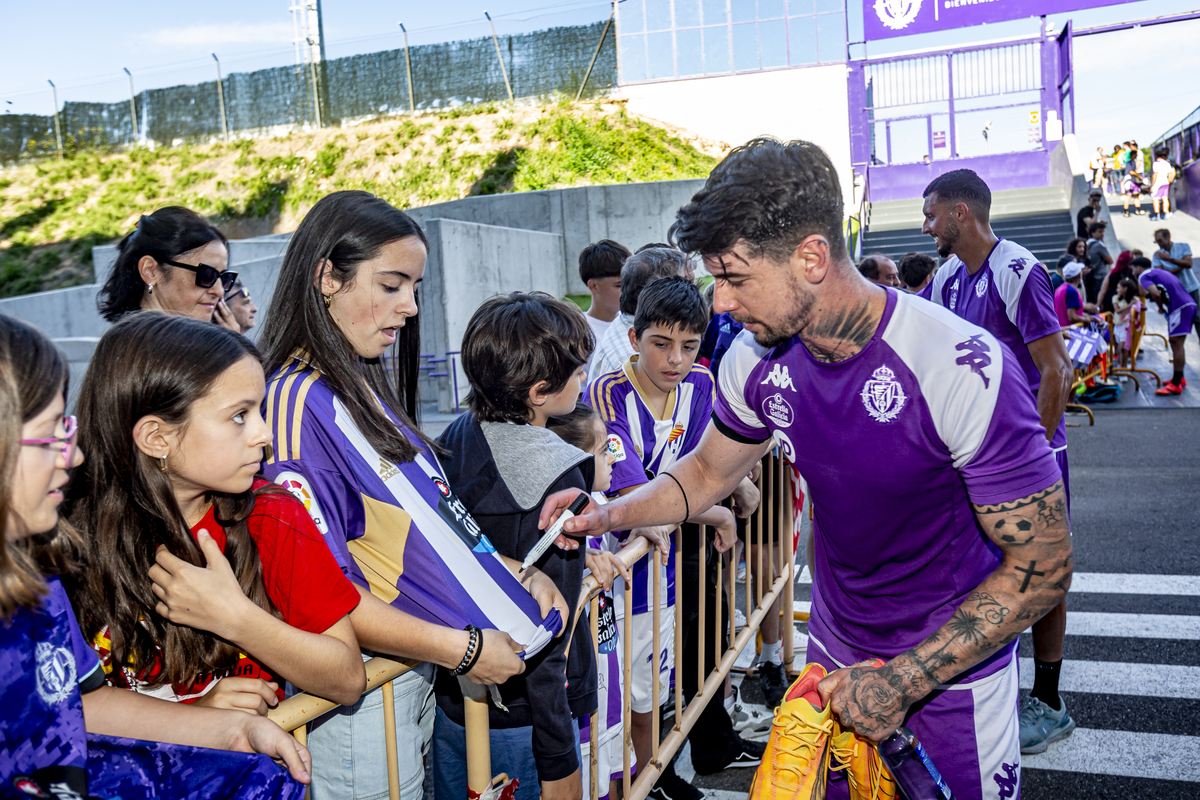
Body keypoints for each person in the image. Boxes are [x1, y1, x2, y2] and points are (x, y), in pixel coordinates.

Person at [543, 138, 1072, 800]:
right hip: (833, 661)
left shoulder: (961, 367)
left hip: (951, 679)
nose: (723, 305)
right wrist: (606, 514)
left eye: (735, 278)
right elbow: (704, 475)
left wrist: (904, 680)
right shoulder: (755, 362)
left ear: (812, 257)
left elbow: (1044, 565)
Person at [257, 191, 558, 800]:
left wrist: (514, 571)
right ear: (326, 278)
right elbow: (321, 593)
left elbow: (426, 524)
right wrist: (464, 647)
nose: (410, 307)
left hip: (403, 672)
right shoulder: (293, 401)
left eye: (414, 287)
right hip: (356, 701)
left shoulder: (356, 386)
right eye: (392, 285)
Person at [0, 313, 312, 799]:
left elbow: (86, 705)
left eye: (69, 427)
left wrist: (230, 730)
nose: (73, 455)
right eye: (49, 434)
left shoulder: (38, 582)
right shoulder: (73, 549)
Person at [67, 313, 366, 714]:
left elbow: (346, 679)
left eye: (259, 411)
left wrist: (237, 618)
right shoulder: (63, 537)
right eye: (239, 416)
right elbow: (56, 710)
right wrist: (193, 717)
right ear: (157, 438)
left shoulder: (270, 515)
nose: (264, 434)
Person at [920, 169, 1077, 756]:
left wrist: (1030, 450)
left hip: (1026, 454)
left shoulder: (1017, 269)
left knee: (1041, 567)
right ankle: (989, 677)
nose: (927, 226)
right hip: (976, 452)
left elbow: (1057, 369)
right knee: (987, 564)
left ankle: (1051, 700)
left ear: (961, 213)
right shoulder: (946, 280)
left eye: (932, 214)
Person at [586, 276, 762, 798]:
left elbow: (715, 470)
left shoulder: (703, 385)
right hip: (612, 572)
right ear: (635, 337)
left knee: (650, 691)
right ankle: (625, 782)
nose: (675, 360)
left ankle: (651, 776)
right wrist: (719, 514)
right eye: (661, 344)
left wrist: (733, 490)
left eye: (688, 346)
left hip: (660, 568)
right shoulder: (608, 391)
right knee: (609, 698)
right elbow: (636, 496)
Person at [433, 292, 598, 800]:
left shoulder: (454, 437)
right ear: (540, 391)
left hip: (456, 699)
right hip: (529, 720)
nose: (584, 379)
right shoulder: (558, 477)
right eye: (577, 372)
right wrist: (559, 761)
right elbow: (551, 633)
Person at [545, 403, 628, 800]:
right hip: (579, 686)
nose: (612, 455)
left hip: (606, 674)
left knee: (609, 762)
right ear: (574, 461)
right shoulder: (561, 528)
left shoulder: (596, 513)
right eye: (602, 449)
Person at [96, 207, 241, 331]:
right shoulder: (145, 350)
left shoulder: (188, 342)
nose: (219, 291)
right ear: (151, 271)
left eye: (225, 278)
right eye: (206, 275)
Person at [589, 248, 694, 380]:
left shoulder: (628, 322)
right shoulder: (635, 363)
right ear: (660, 295)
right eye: (687, 287)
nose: (695, 295)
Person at [1135, 257, 1197, 395]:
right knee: (1177, 343)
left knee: (1176, 344)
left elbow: (1155, 293)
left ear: (1138, 268)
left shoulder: (1143, 276)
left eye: (1133, 269)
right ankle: (1179, 377)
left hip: (1180, 307)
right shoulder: (1158, 272)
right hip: (1188, 305)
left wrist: (1160, 307)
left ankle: (1176, 384)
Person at [579, 240, 632, 378]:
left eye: (629, 283)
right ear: (593, 286)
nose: (629, 291)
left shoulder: (633, 321)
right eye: (619, 285)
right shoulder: (579, 332)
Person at [1152, 228, 1199, 338]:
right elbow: (1162, 275)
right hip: (1174, 292)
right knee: (1177, 319)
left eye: (1160, 241)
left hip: (1191, 287)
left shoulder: (1183, 246)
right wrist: (1181, 265)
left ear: (1168, 237)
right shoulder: (1157, 255)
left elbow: (1189, 264)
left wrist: (1169, 260)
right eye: (1157, 242)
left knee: (1198, 317)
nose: (1159, 244)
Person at [1112, 278, 1142, 370]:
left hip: (1127, 327)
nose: (1117, 290)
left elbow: (1140, 308)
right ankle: (1120, 366)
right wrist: (1129, 306)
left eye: (1119, 288)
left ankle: (1123, 369)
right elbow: (1117, 310)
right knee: (1118, 348)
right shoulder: (1115, 298)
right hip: (1117, 326)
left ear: (1125, 289)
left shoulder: (1135, 299)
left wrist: (1139, 306)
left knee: (1123, 348)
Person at [1085, 221, 1113, 304]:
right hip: (1101, 276)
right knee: (1102, 301)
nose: (1102, 234)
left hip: (1090, 276)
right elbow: (1110, 260)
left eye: (1103, 231)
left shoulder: (1086, 244)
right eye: (1100, 231)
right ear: (1092, 233)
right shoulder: (1099, 246)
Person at [1150, 149, 1174, 221]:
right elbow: (1170, 173)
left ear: (1156, 156)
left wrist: (1152, 185)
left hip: (1158, 183)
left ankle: (1157, 215)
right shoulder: (1167, 163)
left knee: (1155, 198)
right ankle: (1165, 214)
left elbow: (1155, 175)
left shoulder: (1156, 163)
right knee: (1165, 198)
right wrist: (1169, 181)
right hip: (1166, 183)